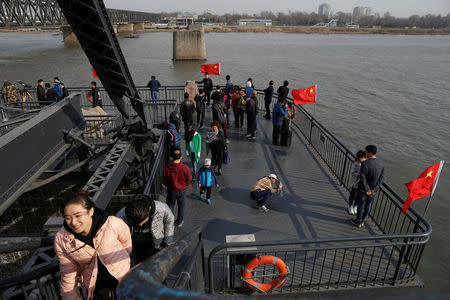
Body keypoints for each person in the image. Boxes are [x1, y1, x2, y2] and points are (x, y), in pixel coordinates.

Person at [54, 190, 132, 300]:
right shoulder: (62, 240)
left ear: (91, 211)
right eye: (67, 218)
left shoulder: (113, 223)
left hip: (123, 276)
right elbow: (68, 272)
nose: (73, 222)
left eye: (78, 215)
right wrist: (70, 297)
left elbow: (126, 245)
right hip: (96, 286)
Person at [117, 194, 174, 263]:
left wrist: (167, 241)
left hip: (155, 242)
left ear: (149, 209)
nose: (140, 225)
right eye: (136, 223)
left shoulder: (161, 208)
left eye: (143, 221)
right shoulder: (121, 216)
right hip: (136, 245)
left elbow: (169, 220)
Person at [351, 145, 385, 228]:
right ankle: (363, 220)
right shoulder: (381, 164)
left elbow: (363, 177)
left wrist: (367, 189)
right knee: (368, 205)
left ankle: (358, 221)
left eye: (366, 152)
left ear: (370, 153)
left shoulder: (365, 163)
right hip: (373, 190)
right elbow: (381, 178)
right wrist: (374, 189)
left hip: (363, 189)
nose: (365, 154)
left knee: (361, 204)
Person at [162, 149, 192, 227]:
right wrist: (185, 185)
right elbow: (189, 179)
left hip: (171, 189)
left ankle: (170, 222)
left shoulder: (167, 168)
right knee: (181, 206)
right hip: (182, 190)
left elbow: (164, 180)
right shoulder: (184, 168)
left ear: (172, 157)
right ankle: (179, 222)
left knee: (170, 205)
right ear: (180, 157)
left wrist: (168, 185)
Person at [348, 150, 367, 215]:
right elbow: (353, 173)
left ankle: (355, 206)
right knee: (353, 194)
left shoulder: (367, 163)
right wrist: (360, 175)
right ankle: (350, 206)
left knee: (359, 196)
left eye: (359, 157)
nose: (357, 158)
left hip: (362, 184)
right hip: (356, 182)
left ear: (363, 157)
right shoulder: (356, 163)